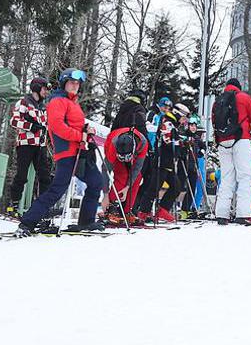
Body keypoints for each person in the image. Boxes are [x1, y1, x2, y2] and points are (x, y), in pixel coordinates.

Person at [17, 69, 105, 235]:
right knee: (57, 189)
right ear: (64, 83)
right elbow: (57, 127)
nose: (75, 86)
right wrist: (80, 135)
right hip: (67, 153)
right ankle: (27, 222)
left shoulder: (73, 103)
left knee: (96, 182)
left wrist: (86, 129)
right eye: (72, 82)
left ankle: (86, 222)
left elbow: (74, 124)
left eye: (77, 83)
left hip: (80, 152)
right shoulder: (58, 101)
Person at [211, 77, 251, 223]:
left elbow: (214, 122)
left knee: (226, 178)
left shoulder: (217, 101)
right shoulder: (244, 98)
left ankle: (222, 214)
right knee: (245, 177)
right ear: (239, 87)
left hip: (222, 142)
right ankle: (243, 214)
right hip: (241, 139)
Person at [7, 76, 53, 214]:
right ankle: (13, 205)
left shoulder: (43, 106)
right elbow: (13, 121)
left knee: (45, 176)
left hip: (40, 145)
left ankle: (42, 207)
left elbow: (46, 125)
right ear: (37, 88)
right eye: (44, 89)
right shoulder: (24, 102)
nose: (46, 92)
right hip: (26, 144)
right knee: (22, 175)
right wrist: (30, 126)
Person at [104, 94, 151, 224]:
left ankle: (127, 210)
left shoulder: (143, 143)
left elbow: (136, 168)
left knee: (136, 178)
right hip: (115, 145)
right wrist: (105, 195)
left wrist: (128, 187)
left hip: (131, 145)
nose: (125, 160)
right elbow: (105, 170)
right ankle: (111, 208)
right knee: (122, 175)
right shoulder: (113, 145)